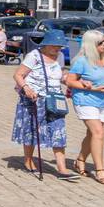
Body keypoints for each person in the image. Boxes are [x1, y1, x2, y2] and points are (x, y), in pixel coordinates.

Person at [12, 29, 70, 176]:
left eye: (60, 46)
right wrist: (26, 88)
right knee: (32, 129)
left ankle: (62, 168)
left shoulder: (60, 56)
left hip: (55, 99)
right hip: (34, 99)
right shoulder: (34, 56)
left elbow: (61, 75)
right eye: (55, 45)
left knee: (58, 130)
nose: (57, 48)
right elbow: (18, 75)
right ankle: (28, 159)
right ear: (46, 44)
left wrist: (69, 80)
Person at [66, 29, 104, 185]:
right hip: (86, 100)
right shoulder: (82, 61)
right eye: (101, 43)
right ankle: (100, 171)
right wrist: (88, 86)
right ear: (91, 45)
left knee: (93, 134)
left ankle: (80, 160)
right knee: (98, 132)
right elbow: (70, 81)